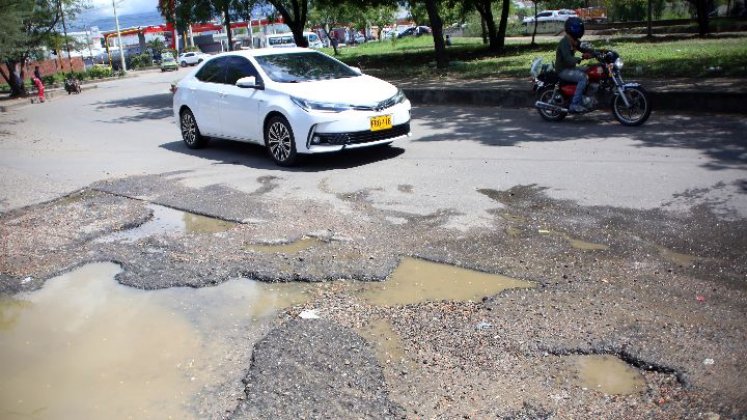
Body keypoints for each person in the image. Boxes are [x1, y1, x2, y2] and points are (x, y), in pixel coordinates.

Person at [555, 17, 592, 113]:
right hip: (562, 70)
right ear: (572, 29)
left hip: (570, 68)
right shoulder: (565, 42)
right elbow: (568, 59)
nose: (580, 30)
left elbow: (584, 49)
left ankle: (585, 98)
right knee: (582, 78)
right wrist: (581, 58)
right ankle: (575, 104)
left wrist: (598, 53)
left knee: (590, 70)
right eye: (577, 28)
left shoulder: (573, 40)